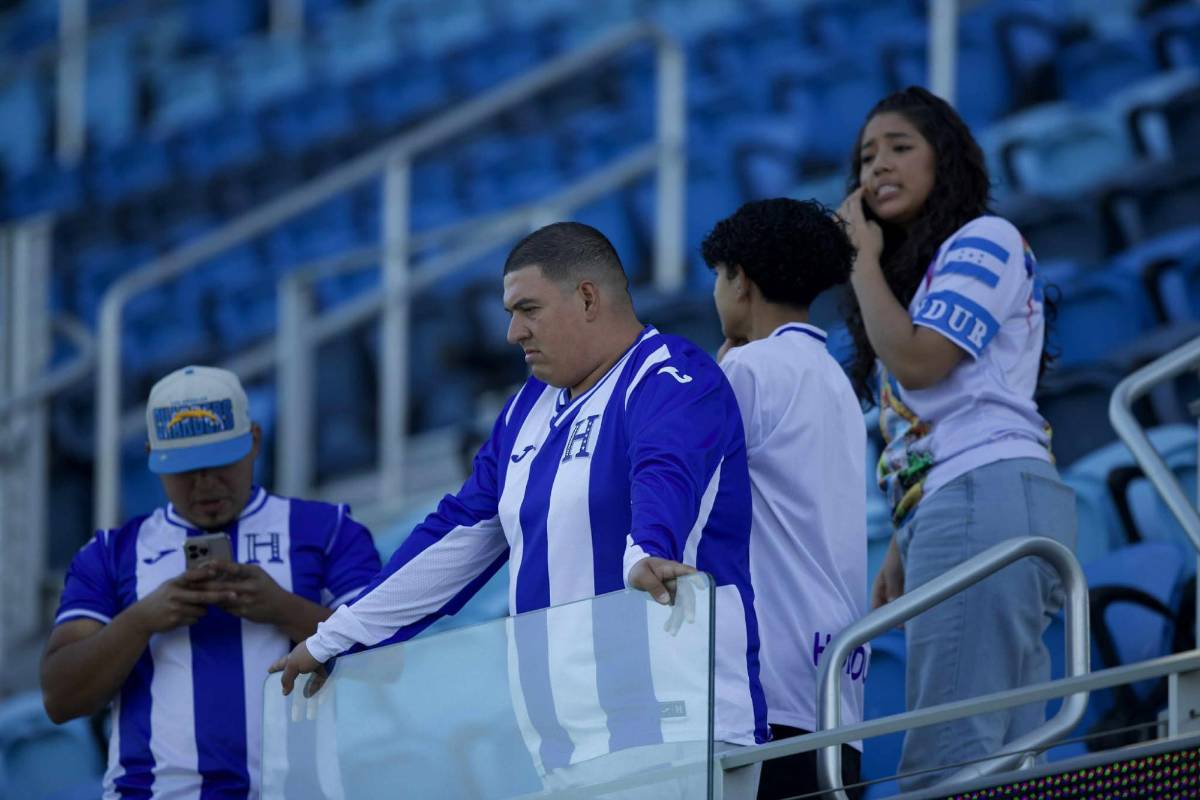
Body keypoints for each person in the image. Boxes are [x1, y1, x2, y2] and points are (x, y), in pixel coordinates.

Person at [272, 221, 770, 797]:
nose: (512, 333)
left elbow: (666, 471)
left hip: (676, 733)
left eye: (527, 309)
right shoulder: (525, 408)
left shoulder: (670, 376)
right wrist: (337, 635)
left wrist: (647, 550)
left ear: (587, 297)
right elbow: (457, 535)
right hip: (563, 751)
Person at [836, 86, 1076, 790]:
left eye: (900, 148)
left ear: (948, 162)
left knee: (945, 768)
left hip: (984, 499)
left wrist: (859, 262)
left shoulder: (984, 239)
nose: (877, 165)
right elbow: (931, 418)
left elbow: (922, 362)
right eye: (866, 156)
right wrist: (904, 536)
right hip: (962, 505)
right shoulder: (914, 280)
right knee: (1006, 767)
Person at [40, 365, 382, 798]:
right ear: (151, 457)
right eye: (185, 468)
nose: (205, 483)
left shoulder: (328, 529)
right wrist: (141, 621)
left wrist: (284, 609)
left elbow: (389, 662)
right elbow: (59, 698)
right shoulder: (109, 553)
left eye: (220, 462)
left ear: (254, 442)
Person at [704, 198, 869, 800]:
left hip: (767, 683)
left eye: (718, 278)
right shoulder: (833, 378)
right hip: (835, 682)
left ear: (739, 279)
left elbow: (679, 485)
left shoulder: (750, 370)